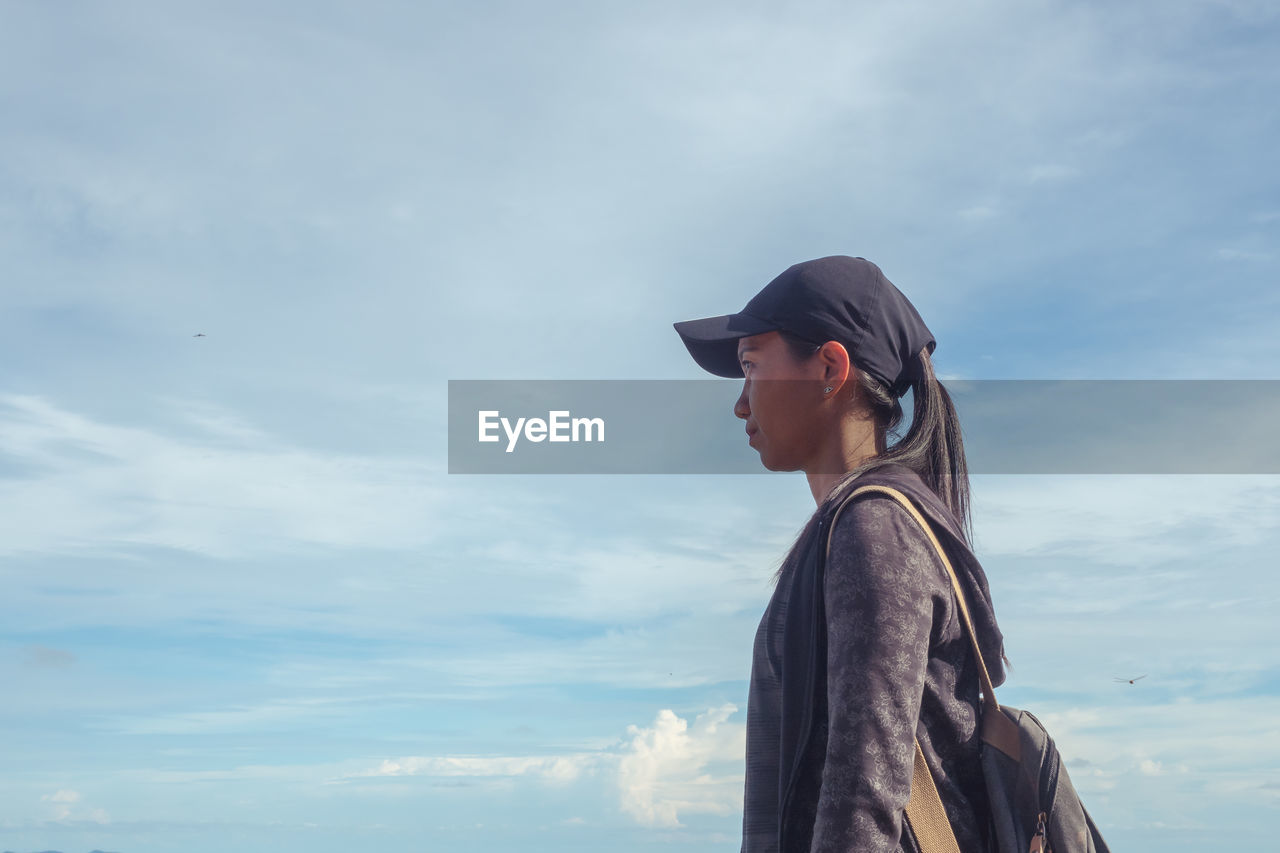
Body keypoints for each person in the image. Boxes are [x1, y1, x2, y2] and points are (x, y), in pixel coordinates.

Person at [672, 256, 1007, 853]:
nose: (740, 404)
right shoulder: (864, 524)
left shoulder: (873, 528)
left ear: (829, 368)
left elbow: (864, 799)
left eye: (751, 367)